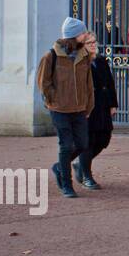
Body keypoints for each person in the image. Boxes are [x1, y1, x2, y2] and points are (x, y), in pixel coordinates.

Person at [36, 17, 96, 199]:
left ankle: (59, 167)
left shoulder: (84, 55)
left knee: (82, 144)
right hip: (59, 109)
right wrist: (53, 100)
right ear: (74, 35)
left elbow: (88, 83)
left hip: (79, 109)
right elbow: (43, 82)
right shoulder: (51, 56)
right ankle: (67, 185)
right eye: (83, 32)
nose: (86, 34)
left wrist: (88, 105)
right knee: (65, 145)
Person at [76, 33, 118, 190]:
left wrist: (113, 104)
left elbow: (110, 82)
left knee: (104, 139)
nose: (93, 45)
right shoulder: (79, 62)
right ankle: (86, 176)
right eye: (89, 43)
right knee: (89, 141)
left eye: (94, 42)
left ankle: (80, 166)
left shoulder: (100, 60)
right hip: (87, 107)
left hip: (103, 104)